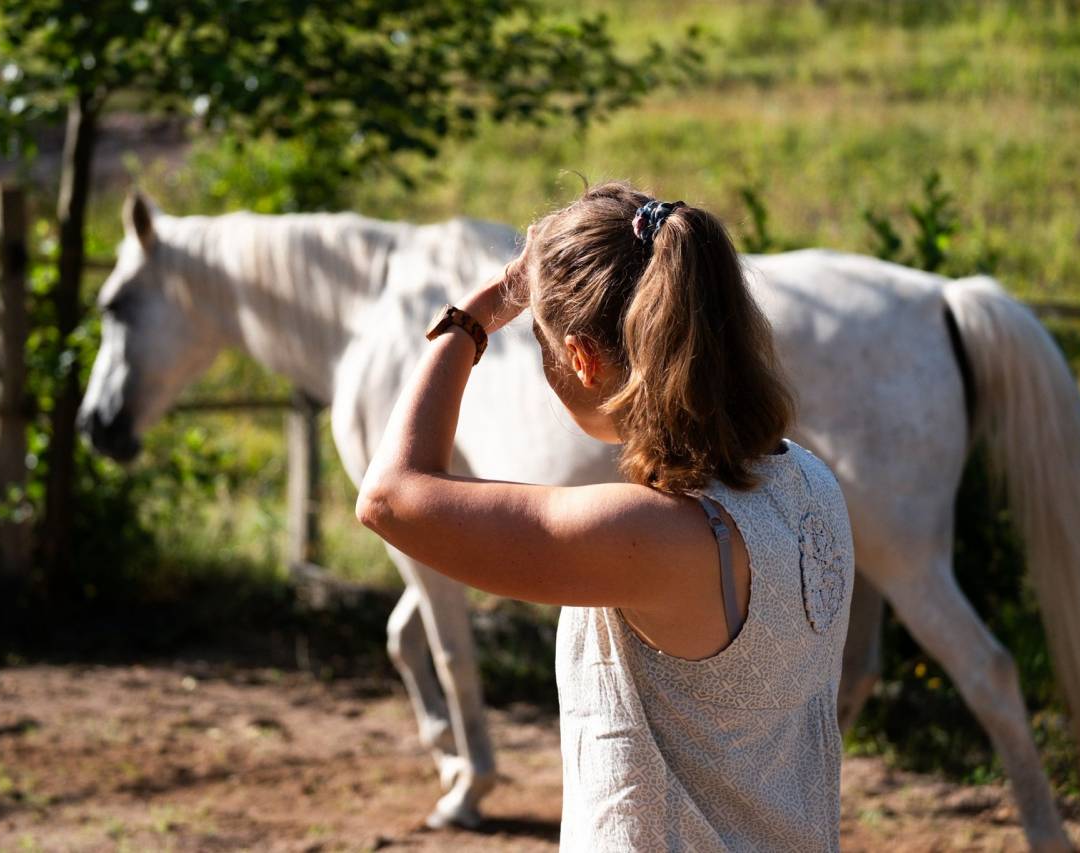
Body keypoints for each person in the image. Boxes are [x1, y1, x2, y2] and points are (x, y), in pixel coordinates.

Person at [357, 181, 854, 852]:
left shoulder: (655, 536)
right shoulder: (810, 484)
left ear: (583, 360)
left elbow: (387, 497)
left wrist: (472, 319)